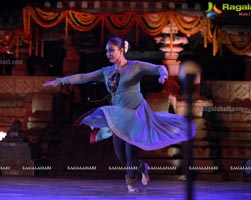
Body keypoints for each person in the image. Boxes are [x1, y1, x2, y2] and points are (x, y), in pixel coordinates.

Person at [43, 36, 196, 192]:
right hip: (119, 116)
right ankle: (142, 167)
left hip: (136, 114)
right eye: (106, 51)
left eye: (112, 50)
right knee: (120, 155)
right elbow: (83, 77)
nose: (108, 54)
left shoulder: (136, 66)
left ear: (121, 50)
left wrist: (163, 75)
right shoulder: (106, 72)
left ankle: (130, 183)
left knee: (130, 152)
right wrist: (61, 81)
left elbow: (158, 68)